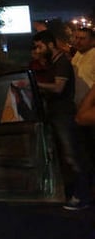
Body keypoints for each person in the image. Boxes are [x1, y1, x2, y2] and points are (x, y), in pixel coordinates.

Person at [33, 29, 92, 210]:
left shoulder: (63, 62)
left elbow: (59, 88)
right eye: (76, 38)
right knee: (73, 155)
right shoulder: (71, 58)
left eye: (39, 46)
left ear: (50, 45)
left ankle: (82, 195)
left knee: (73, 155)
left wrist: (33, 84)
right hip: (75, 112)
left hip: (73, 114)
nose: (37, 50)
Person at [71, 26, 95, 106]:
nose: (77, 41)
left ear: (92, 41)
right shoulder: (78, 54)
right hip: (77, 105)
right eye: (77, 38)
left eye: (82, 39)